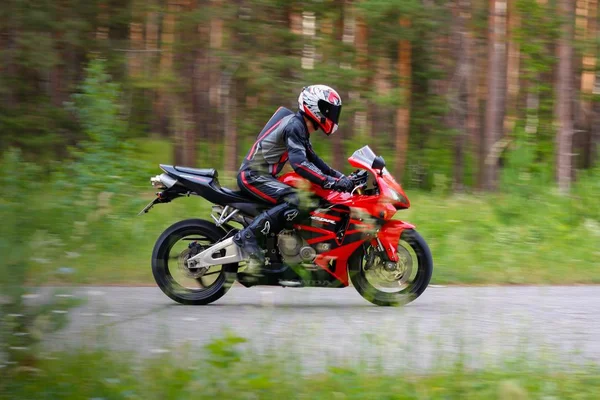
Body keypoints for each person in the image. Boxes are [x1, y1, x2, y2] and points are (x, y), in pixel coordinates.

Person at [233, 85, 354, 276]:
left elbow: (317, 163)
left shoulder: (300, 127)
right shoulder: (295, 126)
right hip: (253, 177)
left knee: (307, 199)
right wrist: (330, 182)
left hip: (262, 176)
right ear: (315, 107)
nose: (332, 115)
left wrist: (344, 179)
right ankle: (247, 237)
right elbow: (300, 165)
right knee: (298, 200)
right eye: (329, 110)